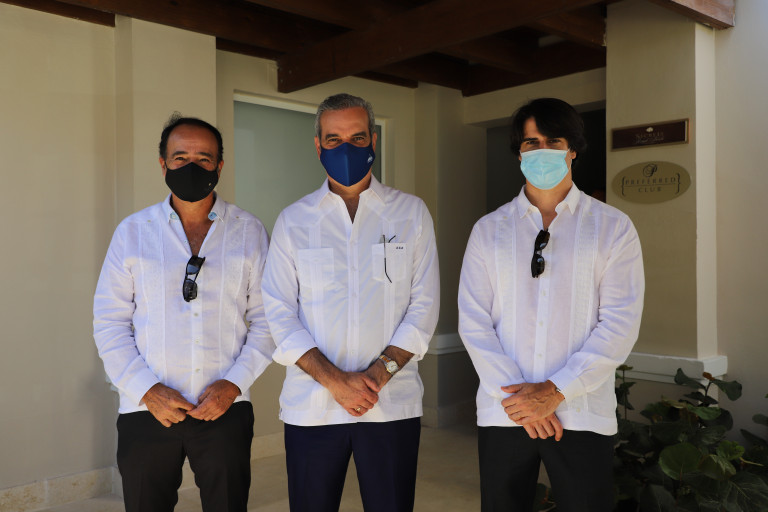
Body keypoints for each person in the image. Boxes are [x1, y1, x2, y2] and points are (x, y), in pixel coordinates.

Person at [458, 97, 644, 512]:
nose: (541, 150)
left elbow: (620, 323)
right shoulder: (489, 231)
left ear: (572, 149)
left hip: (582, 410)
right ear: (518, 153)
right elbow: (473, 322)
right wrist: (524, 401)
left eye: (553, 141)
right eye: (531, 142)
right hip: (504, 411)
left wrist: (556, 391)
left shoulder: (612, 227)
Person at [261, 93, 439, 512]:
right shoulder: (294, 220)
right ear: (318, 146)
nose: (346, 148)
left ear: (373, 140)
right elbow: (279, 311)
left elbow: (425, 304)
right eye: (334, 139)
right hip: (313, 407)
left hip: (390, 405)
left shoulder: (411, 213)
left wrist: (379, 372)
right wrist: (335, 382)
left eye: (357, 138)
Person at [93, 114, 274, 512]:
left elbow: (268, 321)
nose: (192, 166)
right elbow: (109, 323)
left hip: (225, 407)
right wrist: (146, 389)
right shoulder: (133, 232)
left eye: (204, 159)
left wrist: (234, 385)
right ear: (163, 165)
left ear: (219, 167)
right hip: (146, 408)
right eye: (180, 158)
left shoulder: (249, 231)